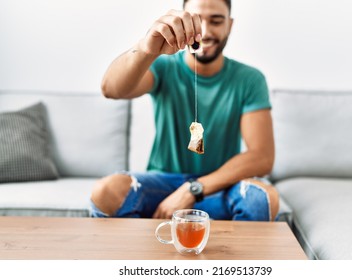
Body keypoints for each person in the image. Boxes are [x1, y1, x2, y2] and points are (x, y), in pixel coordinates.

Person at [90, 0, 279, 221]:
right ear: (182, 21)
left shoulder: (249, 79)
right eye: (197, 21)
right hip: (162, 186)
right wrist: (146, 48)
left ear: (230, 25)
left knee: (262, 198)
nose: (206, 32)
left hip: (220, 187)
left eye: (216, 21)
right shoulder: (164, 66)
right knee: (106, 191)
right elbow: (111, 89)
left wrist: (193, 189)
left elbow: (262, 157)